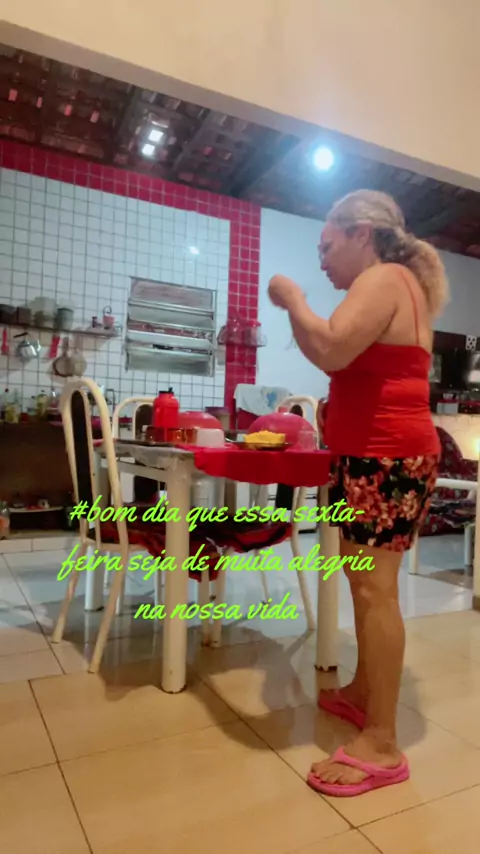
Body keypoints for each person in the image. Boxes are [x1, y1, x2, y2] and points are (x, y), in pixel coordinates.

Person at [268, 189, 448, 798]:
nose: (321, 259)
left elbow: (329, 347)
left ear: (361, 234)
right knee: (361, 579)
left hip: (386, 457)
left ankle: (383, 743)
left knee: (374, 590)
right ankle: (365, 692)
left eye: (327, 246)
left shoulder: (385, 277)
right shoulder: (394, 283)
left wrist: (292, 298)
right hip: (373, 456)